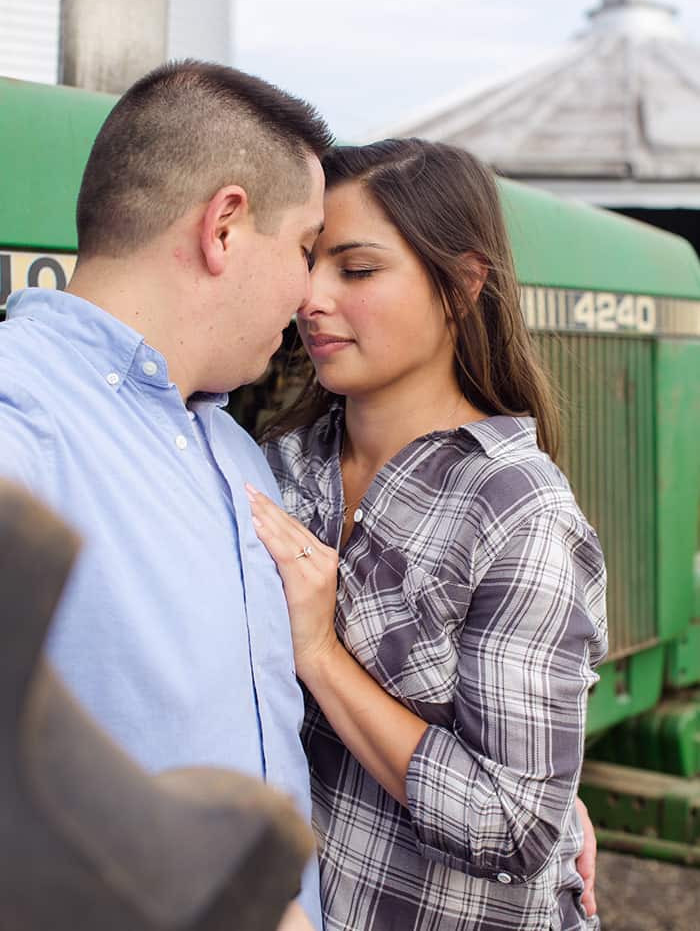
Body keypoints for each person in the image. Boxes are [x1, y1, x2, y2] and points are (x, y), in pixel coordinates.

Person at [0, 60, 334, 931]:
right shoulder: (20, 415)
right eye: (304, 249)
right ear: (224, 226)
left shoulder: (232, 450)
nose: (309, 296)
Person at [247, 139, 608, 931]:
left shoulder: (518, 512)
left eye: (358, 269)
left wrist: (322, 657)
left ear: (463, 284)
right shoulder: (277, 465)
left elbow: (514, 825)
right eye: (311, 261)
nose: (312, 297)